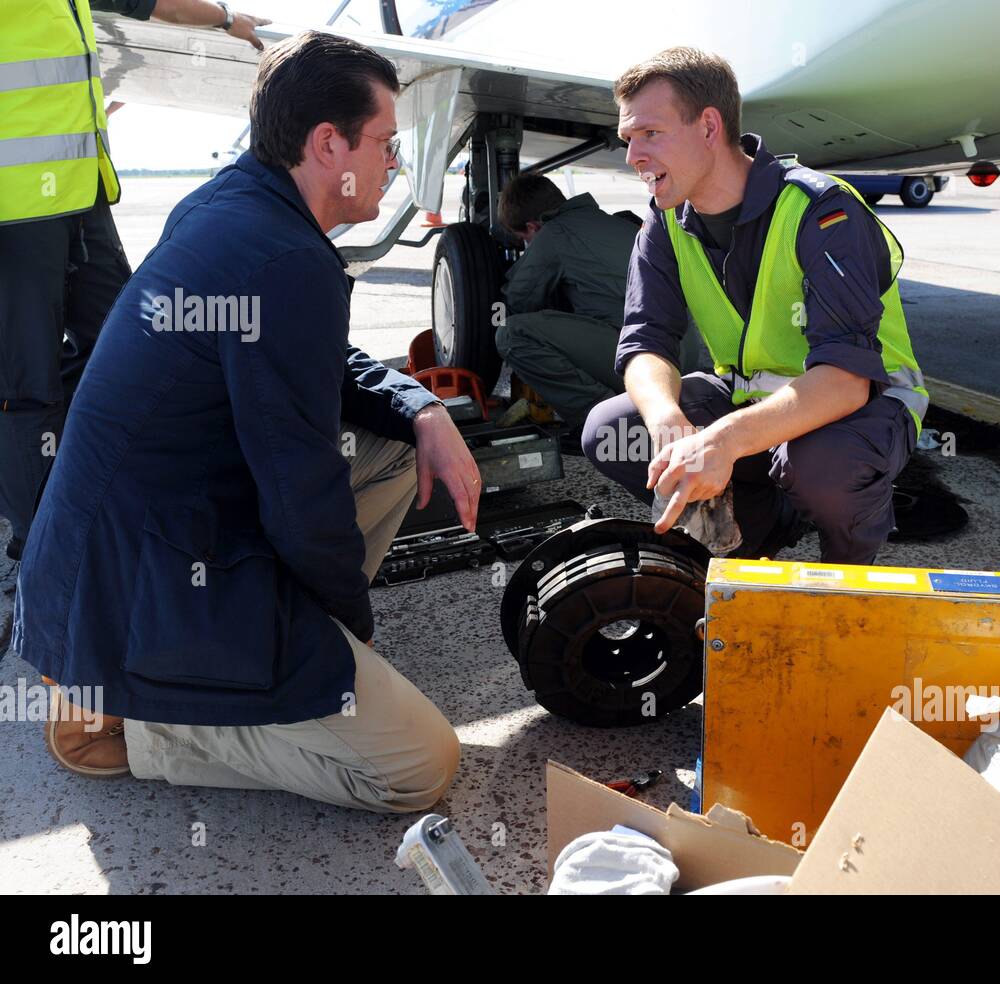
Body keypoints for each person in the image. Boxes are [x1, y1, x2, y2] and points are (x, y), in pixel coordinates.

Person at [13, 31, 476, 814]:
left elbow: (317, 360)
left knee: (395, 453)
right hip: (138, 591)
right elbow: (301, 492)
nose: (394, 163)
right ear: (330, 144)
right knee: (419, 768)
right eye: (387, 143)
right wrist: (351, 632)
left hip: (112, 562)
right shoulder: (285, 261)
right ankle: (140, 722)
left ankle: (259, 660)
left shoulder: (235, 204)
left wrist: (420, 405)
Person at [581, 47, 928, 564]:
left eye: (650, 134)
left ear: (708, 127)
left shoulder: (820, 210)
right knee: (610, 429)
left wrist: (721, 440)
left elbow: (846, 379)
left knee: (820, 467)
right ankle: (757, 539)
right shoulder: (664, 221)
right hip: (753, 399)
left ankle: (849, 577)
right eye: (628, 139)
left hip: (862, 400)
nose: (633, 157)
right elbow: (646, 339)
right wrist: (667, 419)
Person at [0, 1, 268, 576]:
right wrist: (225, 20)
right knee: (26, 388)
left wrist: (223, 20)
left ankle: (92, 502)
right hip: (16, 209)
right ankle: (38, 549)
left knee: (122, 344)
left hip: (76, 191)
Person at [493, 173, 641, 437]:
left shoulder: (555, 232)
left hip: (639, 358)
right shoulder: (615, 222)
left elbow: (519, 299)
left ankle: (608, 420)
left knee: (511, 334)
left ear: (533, 227)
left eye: (524, 239)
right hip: (680, 357)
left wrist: (496, 312)